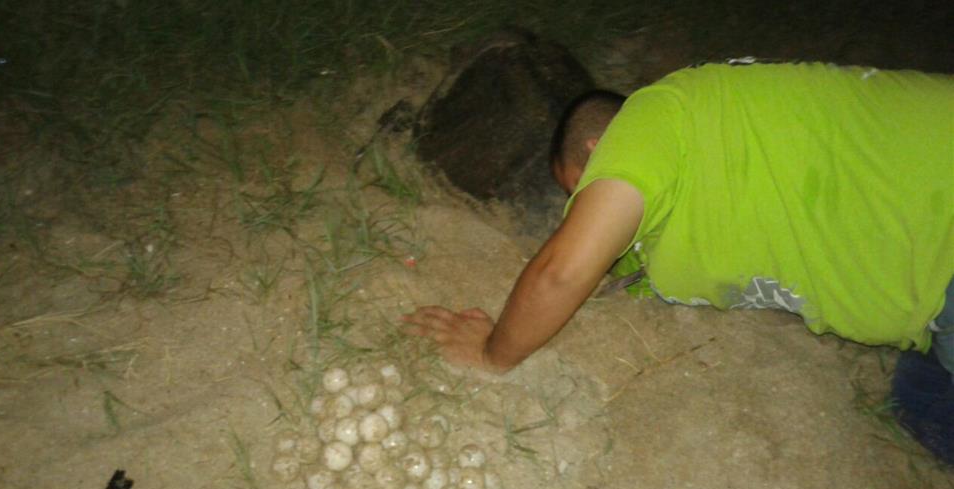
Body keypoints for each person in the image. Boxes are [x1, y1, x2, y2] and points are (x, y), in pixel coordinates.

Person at [401, 61, 954, 464]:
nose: (582, 213)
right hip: (933, 302)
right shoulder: (709, 160)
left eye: (581, 195)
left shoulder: (655, 114)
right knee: (920, 398)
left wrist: (494, 353)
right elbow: (610, 272)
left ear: (598, 150)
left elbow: (562, 271)